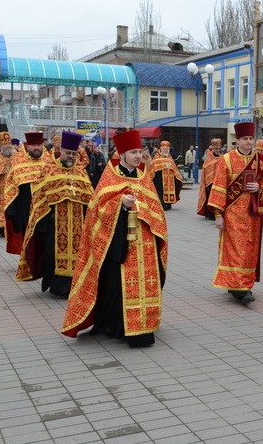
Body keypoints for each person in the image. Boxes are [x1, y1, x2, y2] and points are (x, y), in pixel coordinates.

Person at [61, 129, 167, 348]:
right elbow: (97, 209)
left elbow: (156, 208)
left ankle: (145, 324)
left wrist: (144, 212)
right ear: (122, 153)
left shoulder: (143, 176)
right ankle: (119, 325)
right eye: (133, 152)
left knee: (146, 283)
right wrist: (120, 204)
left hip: (145, 241)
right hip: (119, 243)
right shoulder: (110, 176)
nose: (138, 156)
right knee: (118, 286)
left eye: (140, 151)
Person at [17, 131, 93, 297]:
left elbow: (90, 198)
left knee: (79, 255)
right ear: (61, 151)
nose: (70, 157)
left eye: (74, 154)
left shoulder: (81, 173)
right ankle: (56, 285)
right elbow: (38, 196)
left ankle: (74, 286)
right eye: (68, 153)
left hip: (78, 225)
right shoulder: (49, 170)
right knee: (52, 255)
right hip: (54, 224)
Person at [208, 122, 263, 304]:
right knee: (235, 251)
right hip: (232, 215)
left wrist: (259, 187)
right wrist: (217, 214)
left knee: (249, 250)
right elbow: (219, 187)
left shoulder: (261, 161)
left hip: (253, 215)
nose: (248, 142)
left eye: (250, 139)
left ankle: (243, 284)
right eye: (245, 139)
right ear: (237, 140)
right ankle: (241, 288)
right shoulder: (227, 159)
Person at [4, 132, 49, 254]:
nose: (36, 148)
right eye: (33, 145)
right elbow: (11, 188)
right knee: (28, 240)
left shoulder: (50, 162)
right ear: (27, 146)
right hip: (25, 210)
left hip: (46, 211)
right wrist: (12, 213)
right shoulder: (18, 163)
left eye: (39, 145)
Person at [149, 140, 183, 210]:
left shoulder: (170, 159)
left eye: (167, 149)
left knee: (169, 190)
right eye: (164, 149)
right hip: (159, 179)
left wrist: (177, 177)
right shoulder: (156, 158)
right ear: (161, 149)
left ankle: (168, 203)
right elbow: (153, 168)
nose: (165, 150)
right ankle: (162, 205)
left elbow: (175, 169)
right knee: (160, 191)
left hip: (170, 180)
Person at [197, 138, 223, 220]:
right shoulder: (209, 157)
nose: (218, 150)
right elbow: (206, 169)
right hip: (210, 182)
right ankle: (210, 214)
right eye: (216, 148)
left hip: (219, 181)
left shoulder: (222, 156)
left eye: (219, 148)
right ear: (213, 148)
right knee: (210, 197)